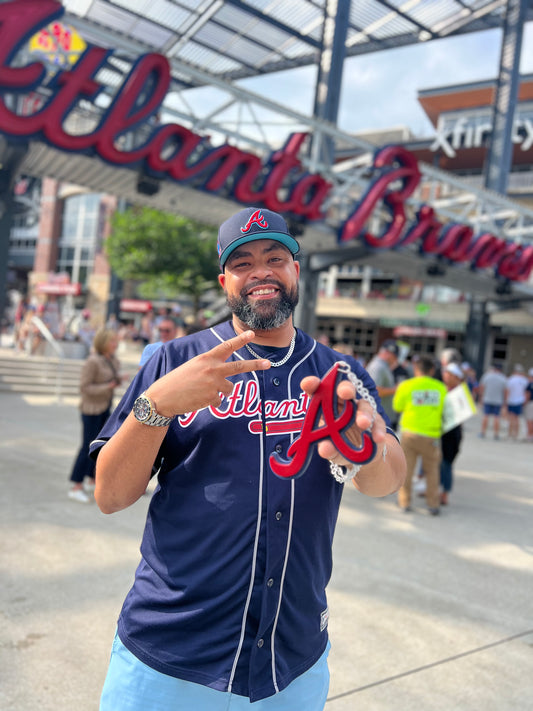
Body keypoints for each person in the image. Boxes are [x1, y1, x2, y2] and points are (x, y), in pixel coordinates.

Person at [91, 206, 406, 711]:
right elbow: (109, 495)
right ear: (225, 281)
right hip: (170, 654)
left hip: (292, 661)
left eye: (275, 257)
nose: (261, 270)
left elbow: (386, 480)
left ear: (295, 272)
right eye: (243, 263)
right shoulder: (173, 361)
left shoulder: (341, 372)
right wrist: (158, 406)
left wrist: (362, 449)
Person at [68, 328, 122, 503]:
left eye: (116, 340)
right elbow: (84, 388)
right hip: (91, 409)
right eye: (112, 340)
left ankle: (93, 478)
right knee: (86, 447)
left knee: (100, 447)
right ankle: (76, 485)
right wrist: (107, 387)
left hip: (105, 408)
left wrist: (117, 381)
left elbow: (109, 381)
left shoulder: (112, 360)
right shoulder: (92, 361)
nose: (116, 344)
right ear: (103, 342)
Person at [393, 355, 447, 515]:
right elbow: (446, 410)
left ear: (416, 369)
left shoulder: (407, 385)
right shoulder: (440, 388)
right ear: (432, 370)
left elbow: (397, 406)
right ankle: (433, 504)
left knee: (407, 470)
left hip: (410, 433)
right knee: (432, 471)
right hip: (431, 435)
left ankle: (404, 502)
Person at [440, 363, 464, 506]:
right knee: (435, 462)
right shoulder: (442, 389)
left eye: (448, 374)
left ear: (456, 377)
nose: (445, 376)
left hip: (452, 433)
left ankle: (445, 493)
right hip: (439, 431)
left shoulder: (460, 393)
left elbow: (459, 416)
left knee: (446, 463)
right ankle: (433, 488)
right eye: (445, 374)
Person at [366, 339, 399, 427]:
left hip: (383, 416)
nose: (396, 360)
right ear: (388, 353)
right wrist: (395, 389)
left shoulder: (383, 366)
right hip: (379, 418)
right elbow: (374, 390)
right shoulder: (377, 366)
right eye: (395, 357)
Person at [478, 363, 508, 439]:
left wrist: (481, 397)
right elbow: (505, 391)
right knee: (496, 417)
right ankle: (496, 434)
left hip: (487, 399)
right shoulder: (503, 378)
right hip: (498, 400)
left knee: (486, 415)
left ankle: (483, 432)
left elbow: (482, 387)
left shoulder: (487, 376)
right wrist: (505, 401)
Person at [505, 364, 529, 440]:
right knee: (517, 418)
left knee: (511, 418)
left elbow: (507, 391)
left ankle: (510, 433)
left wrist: (506, 401)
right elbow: (526, 392)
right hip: (520, 401)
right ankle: (516, 434)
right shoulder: (524, 380)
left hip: (511, 400)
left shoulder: (511, 379)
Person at [525, 368, 533, 441]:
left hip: (531, 403)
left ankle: (530, 436)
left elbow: (527, 394)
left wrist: (524, 403)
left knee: (530, 420)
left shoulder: (530, 384)